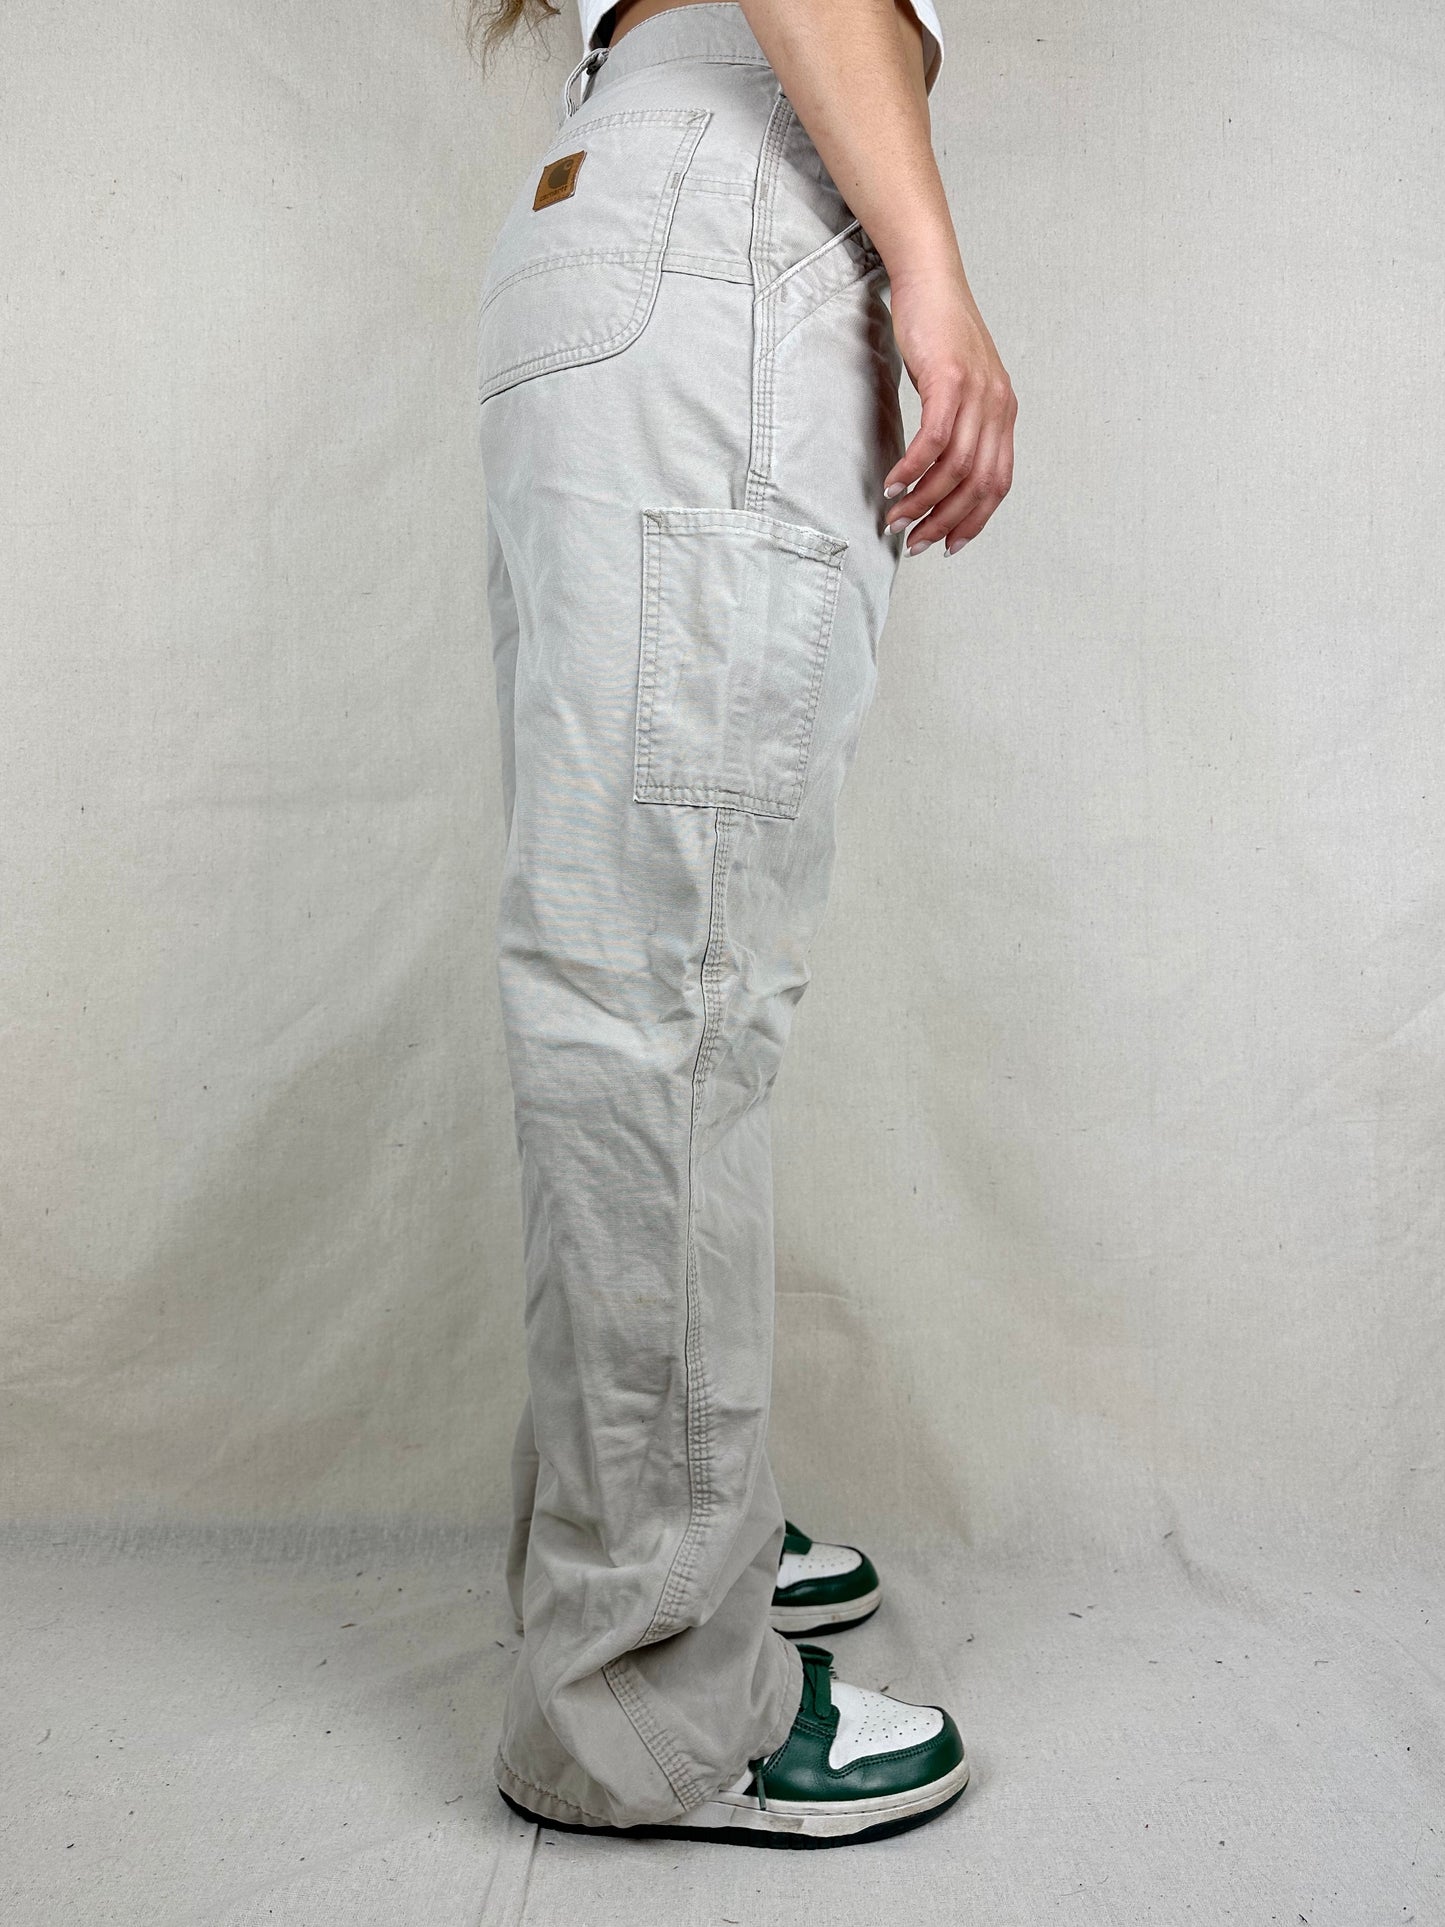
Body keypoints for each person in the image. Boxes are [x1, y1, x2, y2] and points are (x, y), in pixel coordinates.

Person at [469, 0, 1016, 1848]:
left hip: (620, 213)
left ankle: (662, 1531)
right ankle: (652, 1701)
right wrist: (931, 276)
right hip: (726, 216)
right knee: (668, 984)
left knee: (625, 951)